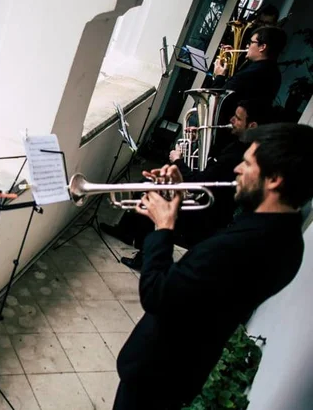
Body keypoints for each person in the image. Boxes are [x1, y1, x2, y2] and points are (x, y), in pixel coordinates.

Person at [113, 123, 313, 410]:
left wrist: (163, 226)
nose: (237, 170)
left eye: (247, 164)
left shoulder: (245, 245)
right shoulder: (287, 239)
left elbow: (157, 293)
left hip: (157, 374)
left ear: (274, 179)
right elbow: (207, 278)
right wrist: (180, 194)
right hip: (185, 369)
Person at [102, 100, 273, 270]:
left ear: (252, 125)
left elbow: (198, 182)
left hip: (206, 213)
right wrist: (195, 142)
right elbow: (211, 165)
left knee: (150, 193)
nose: (231, 120)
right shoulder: (239, 143)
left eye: (237, 118)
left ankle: (145, 256)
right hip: (206, 197)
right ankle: (127, 232)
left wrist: (178, 161)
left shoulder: (239, 155)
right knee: (147, 183)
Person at [210, 26, 286, 148]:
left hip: (225, 130)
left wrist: (219, 76)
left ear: (262, 47)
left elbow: (218, 98)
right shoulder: (273, 71)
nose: (247, 46)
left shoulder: (253, 72)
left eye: (251, 42)